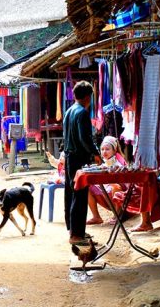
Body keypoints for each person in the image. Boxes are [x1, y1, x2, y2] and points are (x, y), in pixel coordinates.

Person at [63, 81, 101, 244]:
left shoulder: (69, 111)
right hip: (78, 158)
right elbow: (84, 138)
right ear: (88, 97)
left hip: (69, 157)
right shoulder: (82, 113)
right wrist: (95, 153)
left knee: (71, 194)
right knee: (79, 195)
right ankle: (76, 235)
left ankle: (75, 230)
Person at [86, 136, 126, 225]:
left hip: (122, 195)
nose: (104, 152)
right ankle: (96, 217)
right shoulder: (105, 162)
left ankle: (118, 215)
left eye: (107, 149)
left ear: (114, 150)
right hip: (107, 193)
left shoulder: (119, 161)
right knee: (87, 187)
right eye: (102, 149)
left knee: (115, 186)